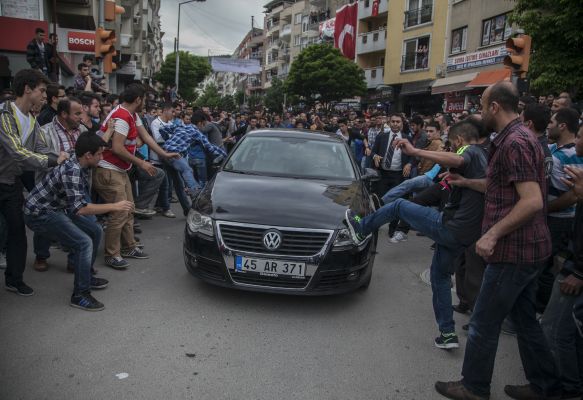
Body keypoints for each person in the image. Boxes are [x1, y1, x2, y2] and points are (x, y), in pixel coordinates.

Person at [435, 81, 561, 400]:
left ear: (494, 108)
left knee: (483, 322)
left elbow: (531, 200)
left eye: (481, 105)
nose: (480, 112)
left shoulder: (515, 141)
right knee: (524, 320)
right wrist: (465, 181)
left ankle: (474, 387)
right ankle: (546, 386)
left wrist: (492, 233)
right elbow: (499, 186)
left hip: (513, 251)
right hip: (529, 249)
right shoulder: (515, 138)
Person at [345, 119, 487, 350]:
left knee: (399, 204)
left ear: (459, 140)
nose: (449, 148)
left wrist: (415, 151)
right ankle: (447, 333)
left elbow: (459, 158)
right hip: (466, 235)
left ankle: (361, 230)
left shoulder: (467, 149)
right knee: (440, 277)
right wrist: (462, 182)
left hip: (451, 227)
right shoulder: (485, 155)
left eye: (450, 144)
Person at [24, 132, 134, 311]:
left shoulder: (79, 158)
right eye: (99, 154)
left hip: (58, 207)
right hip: (39, 213)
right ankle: (80, 295)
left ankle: (85, 274)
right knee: (84, 243)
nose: (102, 156)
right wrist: (114, 206)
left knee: (96, 231)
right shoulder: (73, 171)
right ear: (89, 155)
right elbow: (80, 208)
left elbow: (77, 204)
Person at [92, 83, 179, 269]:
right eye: (145, 99)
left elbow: (146, 137)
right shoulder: (122, 117)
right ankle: (112, 254)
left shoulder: (131, 113)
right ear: (138, 100)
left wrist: (163, 154)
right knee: (120, 211)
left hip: (119, 170)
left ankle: (129, 247)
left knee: (128, 209)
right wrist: (142, 163)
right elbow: (117, 148)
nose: (146, 102)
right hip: (108, 170)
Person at [0, 69, 68, 296]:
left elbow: (41, 149)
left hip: (11, 184)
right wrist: (52, 160)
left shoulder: (32, 120)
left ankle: (14, 279)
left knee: (18, 232)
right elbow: (17, 152)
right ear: (27, 89)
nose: (44, 96)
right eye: (41, 90)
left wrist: (62, 161)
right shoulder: (4, 115)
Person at [161, 111, 227, 201]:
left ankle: (186, 208)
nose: (203, 127)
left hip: (163, 153)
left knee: (178, 183)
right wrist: (224, 154)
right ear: (199, 123)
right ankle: (197, 194)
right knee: (187, 170)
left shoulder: (180, 126)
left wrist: (168, 141)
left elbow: (163, 129)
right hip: (174, 155)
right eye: (203, 124)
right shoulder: (197, 132)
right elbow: (210, 148)